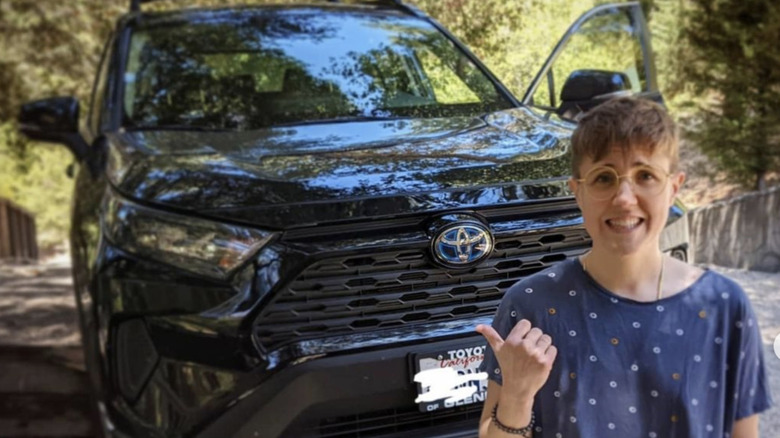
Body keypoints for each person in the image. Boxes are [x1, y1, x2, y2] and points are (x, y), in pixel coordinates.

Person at [476, 97, 773, 437]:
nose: (624, 198)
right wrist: (517, 395)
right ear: (578, 192)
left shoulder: (724, 306)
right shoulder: (530, 306)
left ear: (673, 188)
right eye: (604, 178)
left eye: (645, 175)